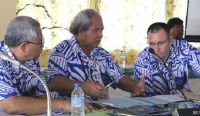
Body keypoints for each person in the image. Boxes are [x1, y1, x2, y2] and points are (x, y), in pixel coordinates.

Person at [0, 16, 92, 115]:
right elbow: (11, 105)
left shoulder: (31, 60)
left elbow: (43, 96)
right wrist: (62, 105)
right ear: (24, 46)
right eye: (41, 42)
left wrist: (65, 107)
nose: (43, 46)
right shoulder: (2, 61)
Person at [48, 9, 144, 101]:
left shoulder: (101, 53)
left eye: (101, 30)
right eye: (96, 30)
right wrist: (84, 87)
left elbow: (118, 76)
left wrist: (135, 87)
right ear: (81, 32)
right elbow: (55, 82)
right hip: (71, 110)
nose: (101, 34)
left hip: (100, 109)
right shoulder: (61, 50)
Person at [133, 22, 200, 96]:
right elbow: (148, 99)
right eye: (152, 44)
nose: (156, 49)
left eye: (161, 43)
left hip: (186, 102)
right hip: (157, 105)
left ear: (170, 40)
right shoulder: (142, 61)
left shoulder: (183, 48)